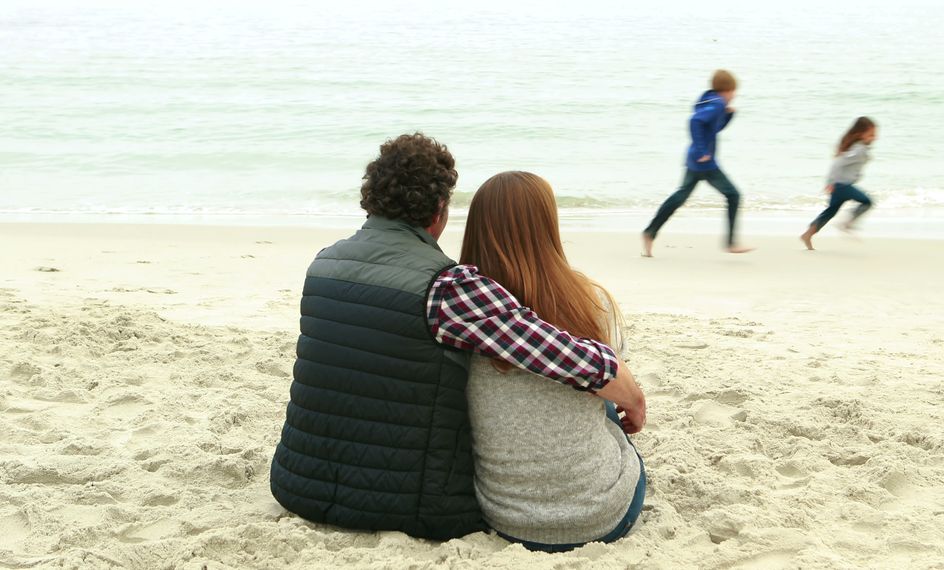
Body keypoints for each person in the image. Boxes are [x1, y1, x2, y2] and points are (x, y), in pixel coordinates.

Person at [269, 134, 645, 541]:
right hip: (401, 502)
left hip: (298, 482)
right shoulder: (447, 288)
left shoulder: (324, 264)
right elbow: (565, 358)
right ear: (439, 211)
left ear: (371, 199)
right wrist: (633, 396)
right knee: (601, 402)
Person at [460, 171, 647, 552]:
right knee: (604, 403)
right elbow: (616, 378)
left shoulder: (461, 316)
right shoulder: (592, 301)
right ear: (548, 226)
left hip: (505, 517)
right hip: (603, 515)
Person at [642, 69, 752, 256]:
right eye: (733, 92)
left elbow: (713, 128)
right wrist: (703, 151)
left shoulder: (710, 100)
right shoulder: (716, 104)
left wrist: (728, 116)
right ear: (727, 90)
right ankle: (731, 243)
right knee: (733, 195)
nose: (734, 96)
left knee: (680, 196)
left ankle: (650, 232)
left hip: (694, 159)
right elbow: (695, 122)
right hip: (704, 162)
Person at [800, 117, 878, 250]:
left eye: (875, 135)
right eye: (871, 134)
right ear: (860, 134)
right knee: (867, 201)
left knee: (830, 211)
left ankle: (808, 234)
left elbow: (844, 163)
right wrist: (830, 182)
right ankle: (848, 223)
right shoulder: (859, 149)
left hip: (839, 185)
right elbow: (838, 163)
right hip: (842, 185)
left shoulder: (859, 148)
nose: (874, 138)